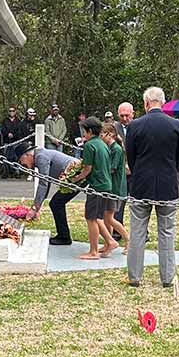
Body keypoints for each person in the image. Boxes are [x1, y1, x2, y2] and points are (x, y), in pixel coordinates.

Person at [125, 86, 179, 288]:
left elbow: (131, 157)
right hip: (167, 185)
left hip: (141, 183)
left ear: (145, 103)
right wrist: (171, 173)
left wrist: (138, 172)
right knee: (167, 232)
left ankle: (134, 277)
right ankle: (167, 278)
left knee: (137, 232)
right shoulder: (176, 125)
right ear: (163, 102)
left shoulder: (135, 125)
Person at [72, 117, 117, 260]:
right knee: (98, 217)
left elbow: (87, 169)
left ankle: (93, 251)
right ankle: (110, 241)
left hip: (96, 186)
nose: (83, 134)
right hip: (106, 185)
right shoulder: (102, 144)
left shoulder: (89, 145)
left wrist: (75, 179)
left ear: (90, 131)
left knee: (91, 218)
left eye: (84, 131)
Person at [16, 143, 79, 245]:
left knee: (56, 203)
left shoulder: (41, 157)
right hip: (73, 178)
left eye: (22, 161)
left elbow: (43, 183)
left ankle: (64, 237)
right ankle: (63, 235)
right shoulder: (40, 155)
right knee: (56, 203)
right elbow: (47, 181)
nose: (23, 164)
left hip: (77, 177)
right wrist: (38, 205)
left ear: (27, 155)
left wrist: (34, 208)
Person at [100, 123, 129, 254]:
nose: (101, 137)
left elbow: (111, 168)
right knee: (107, 217)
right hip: (111, 188)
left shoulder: (116, 149)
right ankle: (108, 243)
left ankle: (129, 240)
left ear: (110, 134)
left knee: (110, 218)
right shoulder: (111, 148)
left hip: (116, 188)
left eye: (102, 135)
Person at [113, 102, 134, 238]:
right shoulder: (113, 128)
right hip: (120, 171)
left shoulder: (139, 126)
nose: (125, 118)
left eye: (127, 115)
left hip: (135, 170)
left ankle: (141, 233)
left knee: (138, 203)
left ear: (133, 114)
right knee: (118, 201)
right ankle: (117, 231)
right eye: (122, 116)